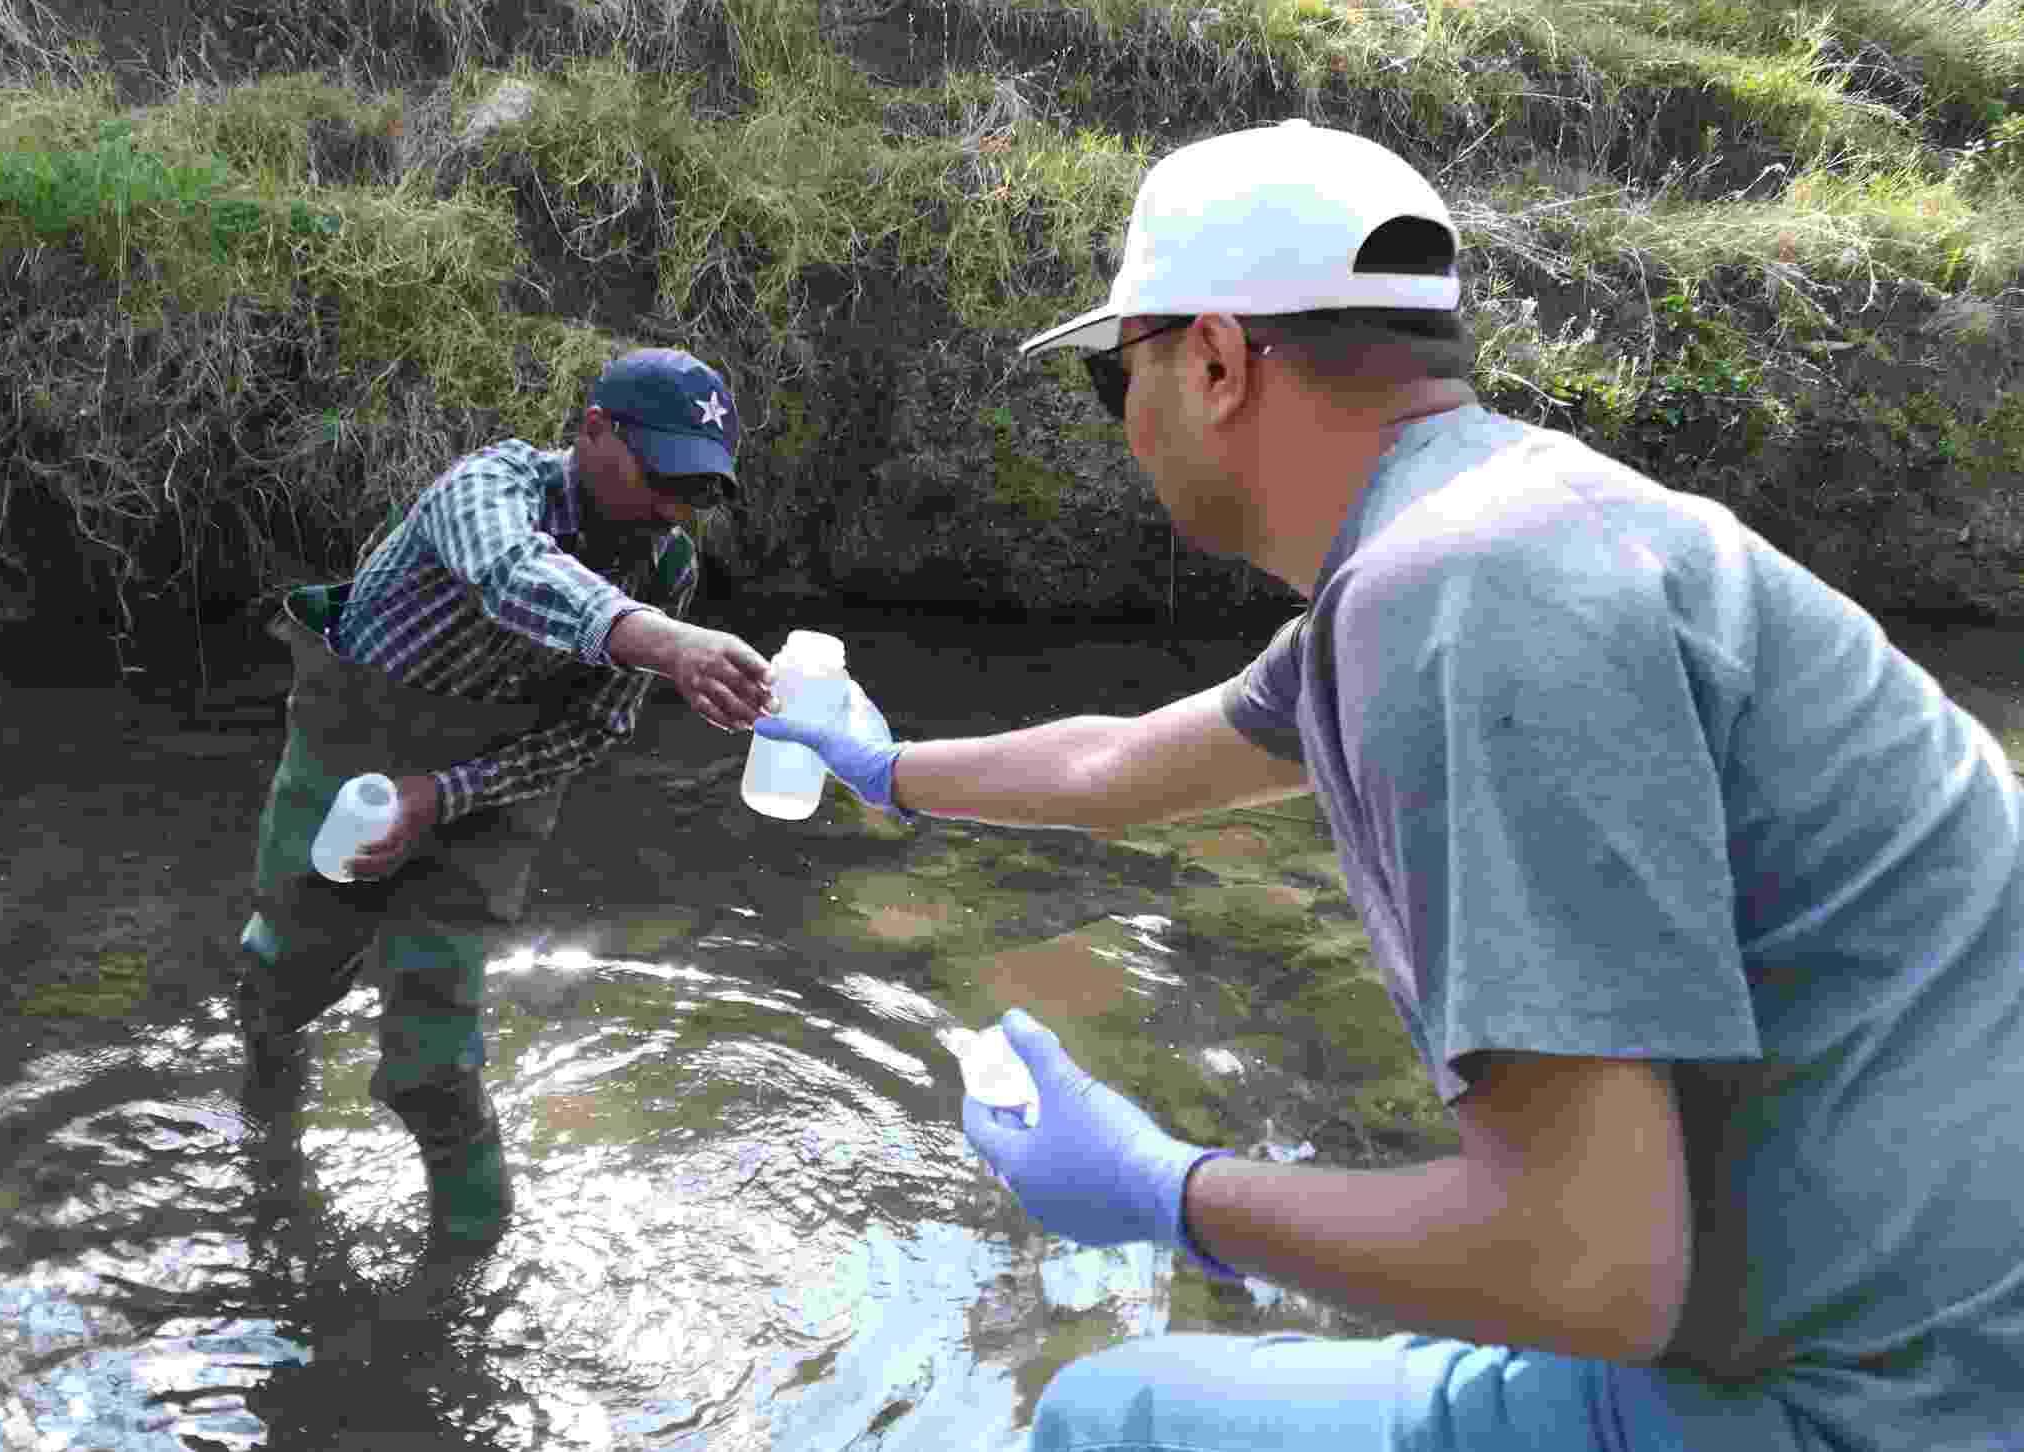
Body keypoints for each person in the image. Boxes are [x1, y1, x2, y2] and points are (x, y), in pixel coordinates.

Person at [752, 120, 2024, 1449]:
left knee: (1113, 1413)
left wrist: (1165, 1189)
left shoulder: (1466, 603)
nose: (1121, 423)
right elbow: (1121, 768)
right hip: (1884, 1311)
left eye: (1108, 374)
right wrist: (882, 770)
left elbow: (1585, 1270)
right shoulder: (1499, 530)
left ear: (1215, 359)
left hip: (1885, 1404)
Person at [235, 347, 775, 1254]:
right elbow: (512, 574)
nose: (677, 508)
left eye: (702, 491)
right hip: (344, 762)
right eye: (662, 477)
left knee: (435, 1064)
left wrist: (442, 795)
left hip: (486, 798)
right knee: (284, 973)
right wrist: (662, 642)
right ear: (593, 432)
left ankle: (467, 1269)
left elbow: (594, 730)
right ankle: (265, 1117)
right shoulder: (489, 488)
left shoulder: (664, 565)